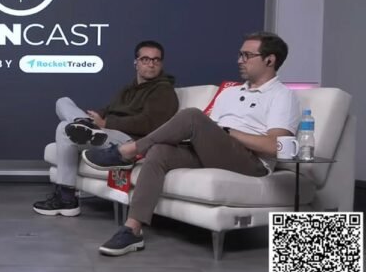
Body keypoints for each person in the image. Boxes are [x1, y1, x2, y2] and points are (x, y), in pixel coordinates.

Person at [83, 31, 300, 256]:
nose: (239, 60)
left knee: (192, 115)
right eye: (240, 54)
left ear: (269, 60)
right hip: (216, 151)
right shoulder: (231, 93)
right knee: (159, 151)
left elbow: (274, 147)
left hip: (251, 162)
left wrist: (228, 133)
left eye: (247, 55)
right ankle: (132, 230)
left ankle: (127, 151)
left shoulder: (282, 96)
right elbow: (211, 131)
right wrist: (213, 134)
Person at [33, 40, 179, 217]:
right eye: (145, 59)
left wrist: (106, 123)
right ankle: (82, 123)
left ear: (161, 63)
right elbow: (110, 109)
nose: (151, 64)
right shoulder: (129, 89)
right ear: (136, 63)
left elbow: (149, 124)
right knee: (63, 102)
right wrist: (95, 117)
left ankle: (66, 198)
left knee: (64, 129)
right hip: (107, 133)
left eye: (156, 60)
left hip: (130, 141)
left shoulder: (164, 91)